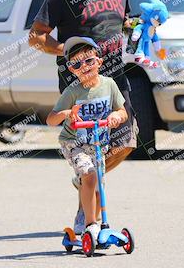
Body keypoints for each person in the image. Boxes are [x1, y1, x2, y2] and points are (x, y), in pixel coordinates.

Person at [29, 0, 138, 234]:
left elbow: (125, 22)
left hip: (115, 77)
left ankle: (83, 183)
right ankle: (86, 205)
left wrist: (140, 29)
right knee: (93, 150)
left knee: (126, 141)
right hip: (80, 85)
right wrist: (66, 50)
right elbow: (35, 37)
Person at [46, 37, 128, 240]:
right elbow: (50, 120)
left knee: (99, 186)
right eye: (77, 64)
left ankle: (93, 219)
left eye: (89, 61)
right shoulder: (72, 92)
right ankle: (91, 224)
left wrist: (115, 116)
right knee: (90, 177)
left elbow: (122, 111)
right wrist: (66, 114)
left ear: (99, 62)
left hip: (98, 144)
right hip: (74, 143)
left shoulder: (109, 85)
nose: (84, 66)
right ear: (72, 70)